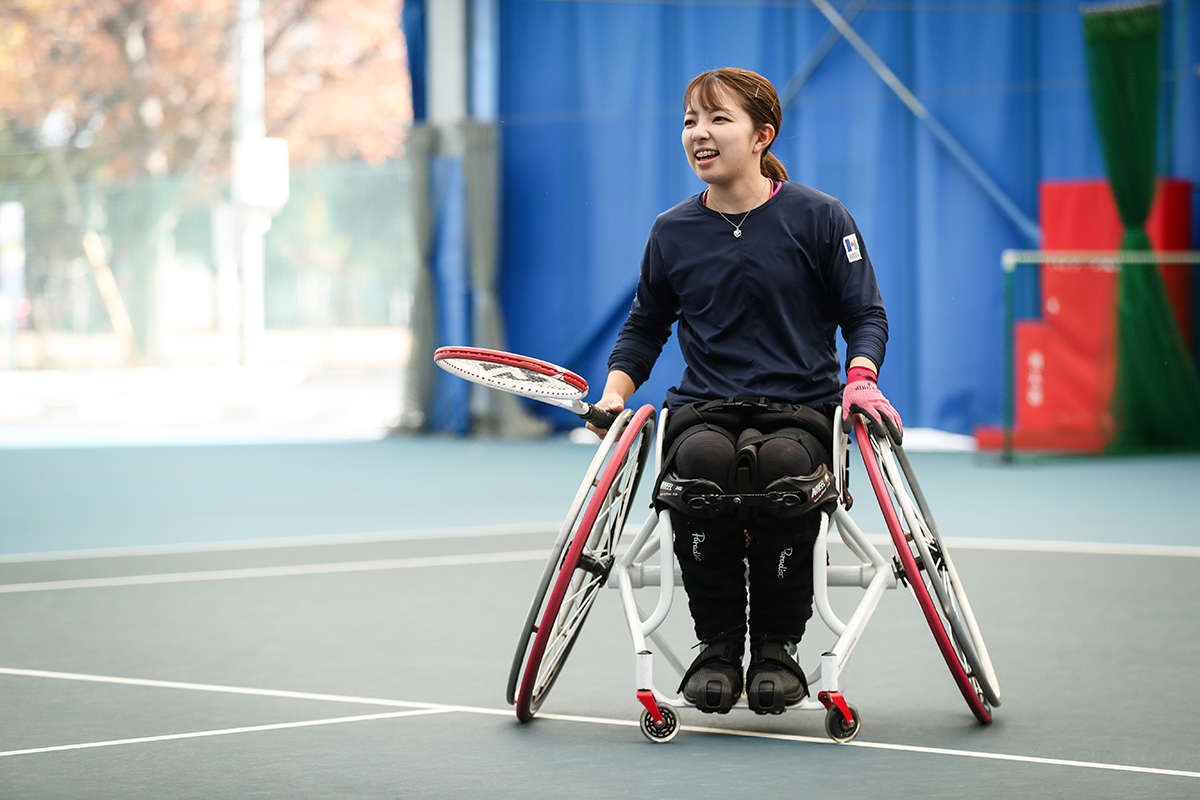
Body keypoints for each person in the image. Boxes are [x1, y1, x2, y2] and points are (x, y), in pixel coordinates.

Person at [588, 67, 903, 716]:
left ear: (762, 135)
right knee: (700, 465)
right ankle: (718, 647)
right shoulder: (671, 230)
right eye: (689, 121)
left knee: (783, 469)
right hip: (705, 406)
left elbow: (865, 315)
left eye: (717, 119)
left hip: (801, 408)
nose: (698, 133)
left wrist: (862, 378)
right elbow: (645, 326)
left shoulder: (821, 217)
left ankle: (777, 651)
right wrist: (614, 395)